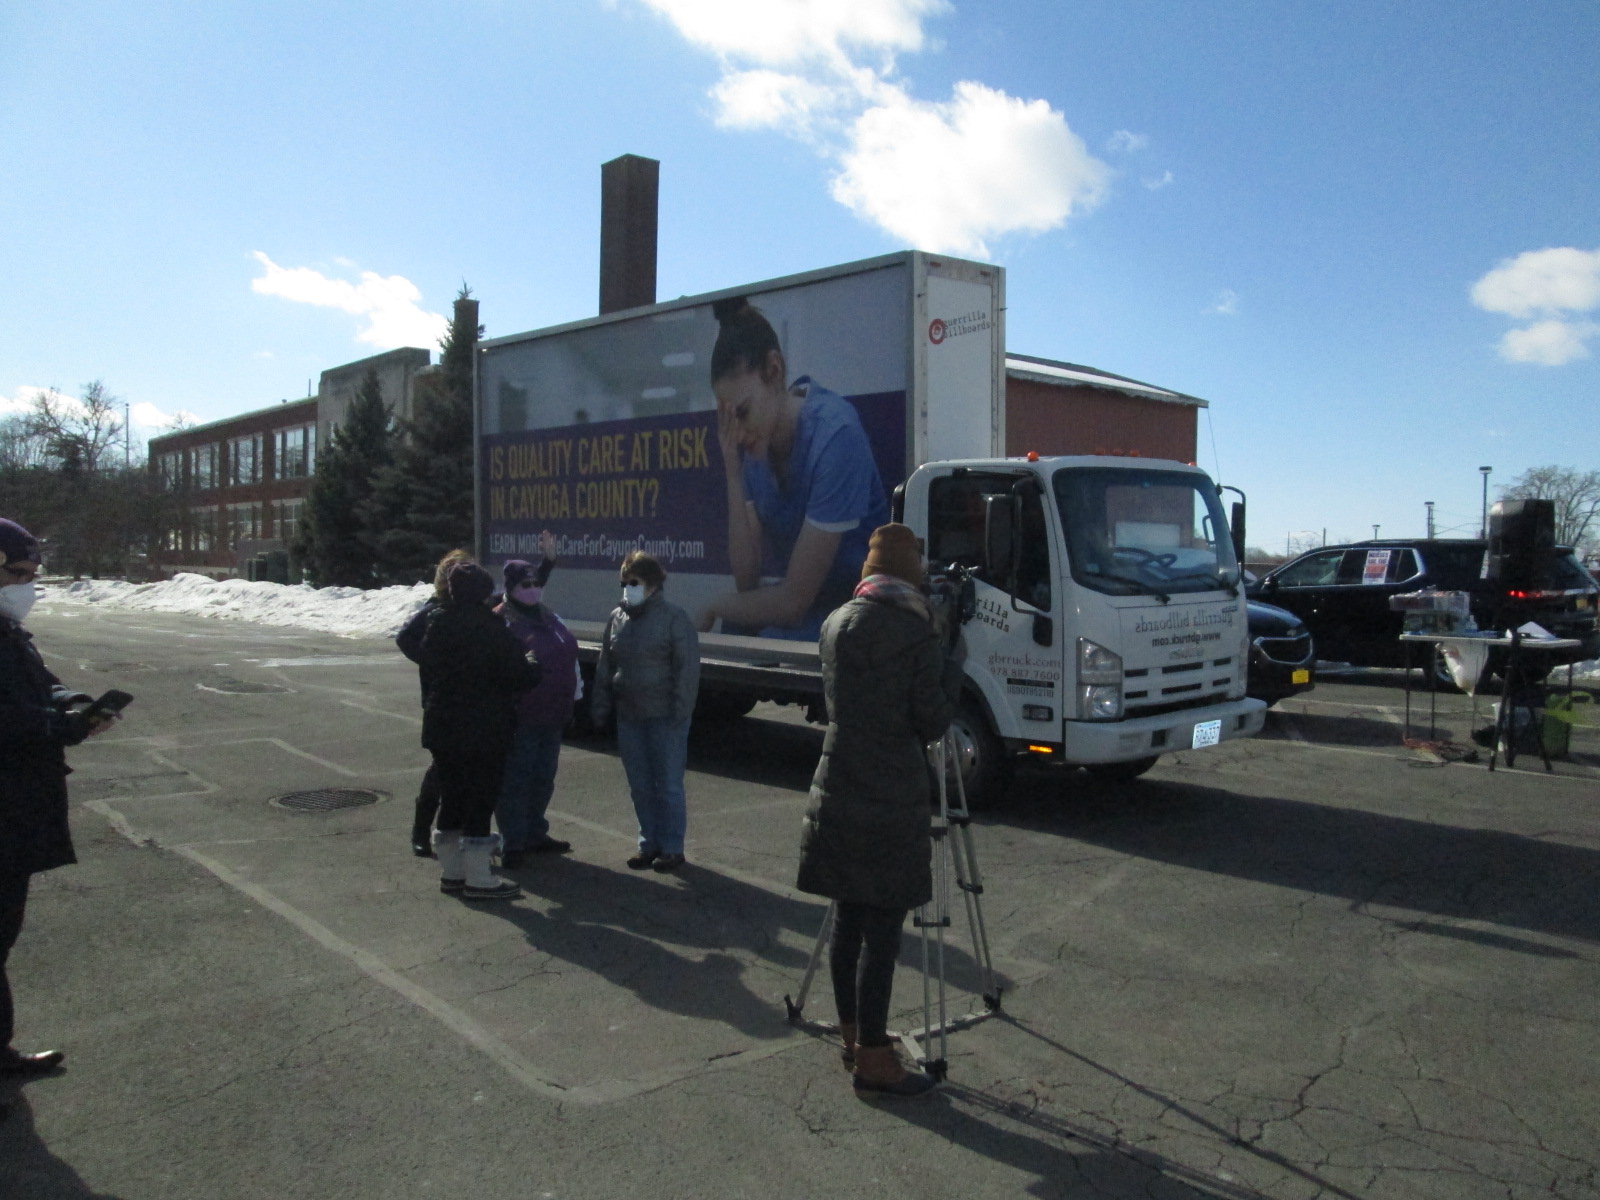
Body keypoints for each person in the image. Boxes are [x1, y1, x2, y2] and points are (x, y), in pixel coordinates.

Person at [796, 523, 963, 1097]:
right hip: (891, 789)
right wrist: (950, 655)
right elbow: (933, 719)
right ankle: (875, 1057)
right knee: (884, 933)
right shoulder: (915, 634)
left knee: (849, 920)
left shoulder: (835, 623)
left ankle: (851, 1037)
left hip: (838, 779)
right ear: (912, 573)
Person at [0, 518, 120, 1076]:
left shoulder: (6, 630)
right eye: (16, 574)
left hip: (17, 809)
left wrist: (73, 702)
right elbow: (9, 717)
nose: (26, 587)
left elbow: (37, 682)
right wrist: (61, 726)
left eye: (31, 575)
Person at [697, 297, 889, 640]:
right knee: (735, 627)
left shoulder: (835, 435)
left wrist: (712, 605)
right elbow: (747, 580)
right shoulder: (757, 450)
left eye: (741, 412)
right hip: (811, 609)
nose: (736, 434)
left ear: (775, 370)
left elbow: (794, 602)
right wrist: (731, 469)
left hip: (858, 613)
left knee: (758, 633)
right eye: (728, 419)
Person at [398, 544, 558, 857]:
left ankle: (455, 863)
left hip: (456, 710)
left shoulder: (481, 612)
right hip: (453, 707)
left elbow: (524, 587)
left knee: (460, 785)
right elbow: (405, 638)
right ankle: (425, 833)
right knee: (446, 781)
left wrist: (547, 564)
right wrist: (434, 666)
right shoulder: (436, 612)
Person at [416, 562, 542, 901]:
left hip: (443, 725)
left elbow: (421, 655)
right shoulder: (491, 627)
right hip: (485, 727)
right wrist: (531, 661)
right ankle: (479, 877)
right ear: (484, 593)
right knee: (481, 799)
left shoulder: (436, 623)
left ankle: (453, 871)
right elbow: (520, 675)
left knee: (453, 796)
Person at [591, 551, 700, 873]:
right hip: (630, 715)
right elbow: (605, 665)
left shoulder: (673, 618)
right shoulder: (617, 618)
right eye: (624, 582)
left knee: (667, 785)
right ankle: (647, 844)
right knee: (639, 785)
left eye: (633, 582)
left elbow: (687, 669)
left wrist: (680, 712)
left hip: (664, 717)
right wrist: (601, 706)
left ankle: (671, 848)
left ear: (652, 584)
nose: (627, 587)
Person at [493, 540, 581, 868]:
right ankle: (512, 841)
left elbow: (568, 657)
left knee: (543, 777)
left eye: (535, 584)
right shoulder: (502, 620)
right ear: (511, 588)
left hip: (553, 714)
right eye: (525, 585)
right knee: (516, 779)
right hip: (521, 717)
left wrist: (575, 697)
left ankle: (535, 832)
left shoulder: (548, 615)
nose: (532, 589)